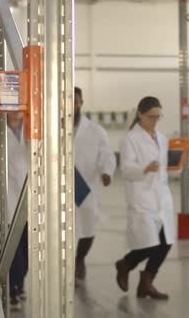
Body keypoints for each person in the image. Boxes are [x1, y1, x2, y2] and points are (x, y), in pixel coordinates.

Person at [114, 96, 174, 300]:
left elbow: (164, 168)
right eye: (151, 117)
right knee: (150, 244)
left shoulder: (162, 138)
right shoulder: (130, 138)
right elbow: (126, 169)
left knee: (166, 242)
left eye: (158, 117)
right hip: (142, 197)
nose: (155, 121)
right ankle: (126, 263)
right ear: (140, 114)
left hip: (161, 198)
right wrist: (144, 169)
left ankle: (146, 284)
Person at [73, 86, 116, 281]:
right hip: (58, 184)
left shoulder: (95, 130)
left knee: (88, 225)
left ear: (81, 102)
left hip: (85, 183)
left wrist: (106, 172)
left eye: (75, 100)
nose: (71, 104)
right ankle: (64, 266)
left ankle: (80, 258)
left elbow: (106, 154)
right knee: (60, 227)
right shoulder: (52, 126)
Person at [6, 112, 29, 310]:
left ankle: (19, 285)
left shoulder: (33, 128)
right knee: (15, 252)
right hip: (8, 200)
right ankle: (12, 290)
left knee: (28, 251)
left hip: (31, 200)